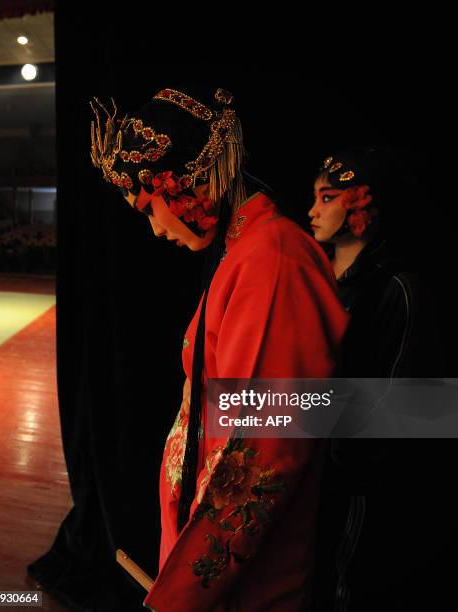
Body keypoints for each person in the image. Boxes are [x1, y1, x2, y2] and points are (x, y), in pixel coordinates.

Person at [90, 86, 349, 611]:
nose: (155, 229)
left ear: (184, 183)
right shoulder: (244, 250)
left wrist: (183, 594)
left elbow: (262, 448)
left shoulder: (271, 259)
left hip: (242, 582)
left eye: (149, 208)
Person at [307, 147, 451, 611]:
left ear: (360, 205)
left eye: (327, 198)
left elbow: (419, 413)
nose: (312, 210)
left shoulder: (400, 289)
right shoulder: (313, 279)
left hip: (361, 490)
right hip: (302, 472)